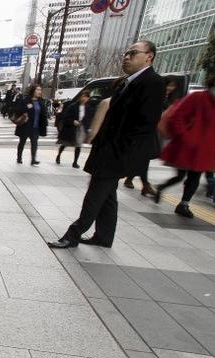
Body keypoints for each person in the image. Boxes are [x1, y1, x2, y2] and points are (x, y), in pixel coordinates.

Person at [48, 41, 165, 249]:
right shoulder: (129, 82)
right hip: (110, 149)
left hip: (118, 152)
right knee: (107, 195)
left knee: (95, 194)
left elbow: (144, 123)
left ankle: (73, 234)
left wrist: (121, 151)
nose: (126, 57)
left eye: (133, 53)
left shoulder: (152, 83)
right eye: (126, 53)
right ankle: (104, 236)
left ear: (149, 56)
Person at [153, 73, 215, 218]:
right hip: (187, 147)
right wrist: (186, 137)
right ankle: (162, 187)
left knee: (195, 177)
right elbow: (177, 118)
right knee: (180, 176)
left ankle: (183, 204)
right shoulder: (197, 97)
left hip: (205, 150)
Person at [123, 76, 182, 196]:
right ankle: (145, 184)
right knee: (144, 157)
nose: (170, 88)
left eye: (173, 86)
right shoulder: (156, 94)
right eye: (169, 85)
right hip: (148, 130)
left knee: (145, 157)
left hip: (158, 132)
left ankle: (131, 177)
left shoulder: (171, 98)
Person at [56, 90, 93, 168]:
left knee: (78, 145)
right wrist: (73, 121)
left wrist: (88, 128)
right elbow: (66, 117)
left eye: (86, 97)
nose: (84, 99)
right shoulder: (73, 106)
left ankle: (75, 162)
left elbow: (88, 119)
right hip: (71, 127)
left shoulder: (88, 108)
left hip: (81, 128)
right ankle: (59, 155)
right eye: (83, 96)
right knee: (65, 143)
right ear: (80, 97)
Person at [13, 84, 48, 166]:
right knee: (22, 142)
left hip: (35, 127)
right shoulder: (26, 100)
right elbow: (18, 110)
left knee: (34, 143)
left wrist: (44, 124)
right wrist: (27, 107)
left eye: (40, 90)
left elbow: (43, 114)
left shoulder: (40, 102)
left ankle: (33, 159)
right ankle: (19, 157)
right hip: (26, 125)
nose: (39, 91)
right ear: (33, 91)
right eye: (37, 90)